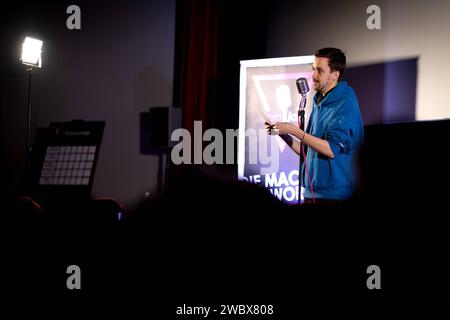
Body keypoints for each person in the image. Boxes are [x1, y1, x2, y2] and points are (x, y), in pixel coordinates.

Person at [265, 47, 364, 202]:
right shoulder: (319, 102)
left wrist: (294, 130)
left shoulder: (345, 102)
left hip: (334, 196)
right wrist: (283, 133)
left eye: (319, 70)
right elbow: (306, 152)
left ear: (335, 75)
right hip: (310, 193)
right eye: (313, 69)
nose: (313, 75)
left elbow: (331, 149)